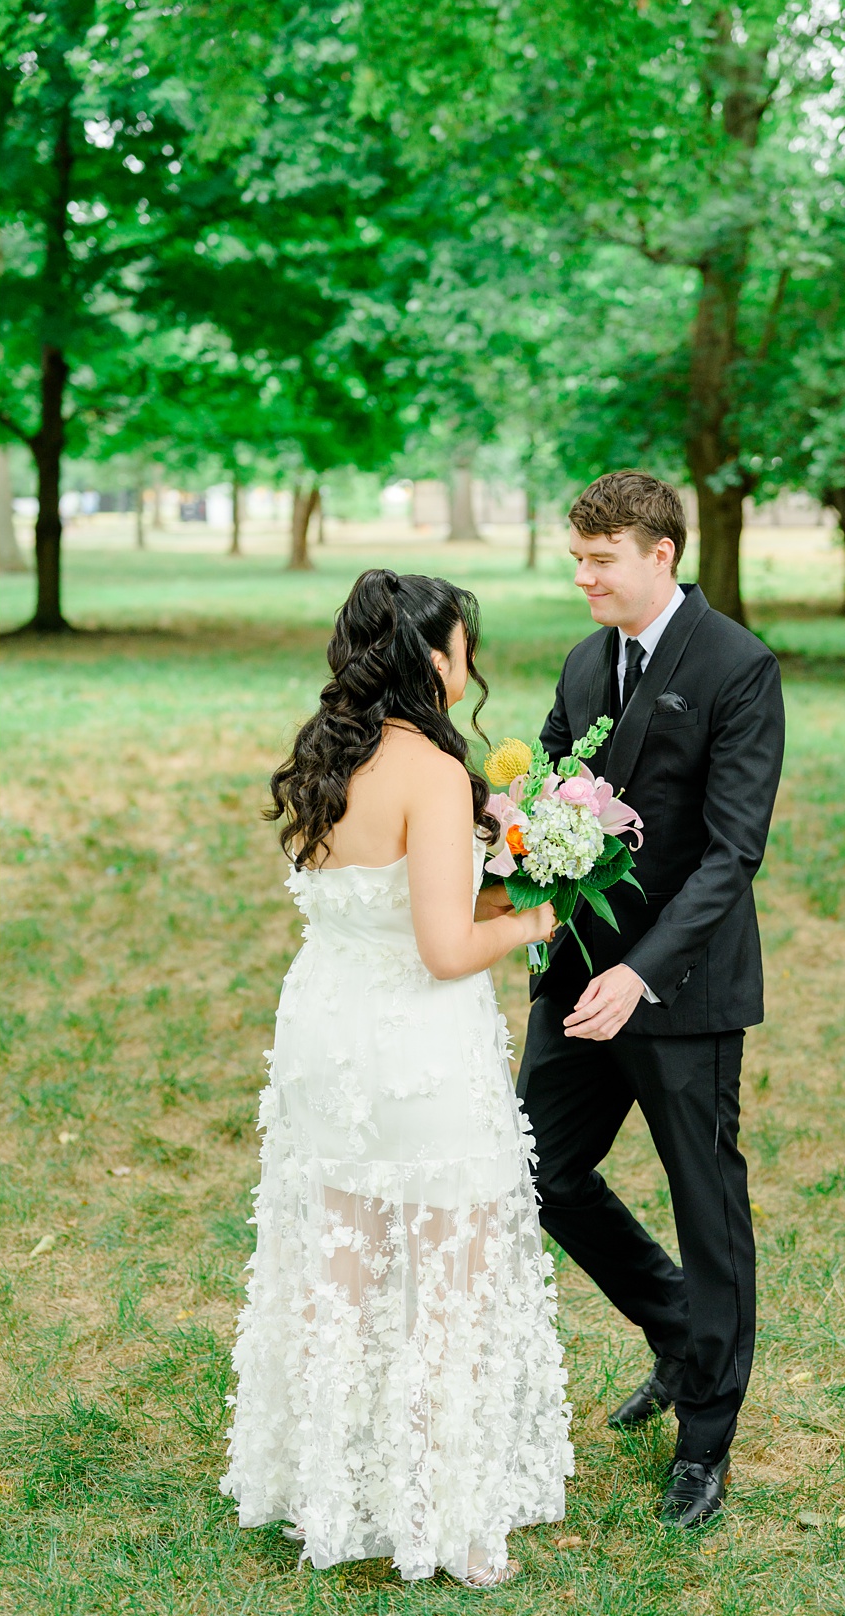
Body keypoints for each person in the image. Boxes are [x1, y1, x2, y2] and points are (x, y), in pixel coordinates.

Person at [222, 569, 572, 1587]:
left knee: (343, 1271)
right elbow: (444, 948)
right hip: (417, 1054)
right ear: (430, 658)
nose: (474, 665)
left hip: (326, 1040)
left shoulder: (331, 755)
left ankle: (333, 1490)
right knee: (448, 1284)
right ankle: (449, 1523)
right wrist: (543, 917)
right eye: (463, 645)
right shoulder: (428, 770)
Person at [514, 469, 785, 1531]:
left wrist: (643, 970)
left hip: (682, 989)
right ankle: (680, 1327)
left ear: (660, 554)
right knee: (534, 1167)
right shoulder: (586, 661)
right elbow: (540, 791)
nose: (583, 575)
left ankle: (706, 1438)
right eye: (576, 556)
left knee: (705, 1204)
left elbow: (732, 852)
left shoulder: (737, 665)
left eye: (600, 558)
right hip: (578, 978)